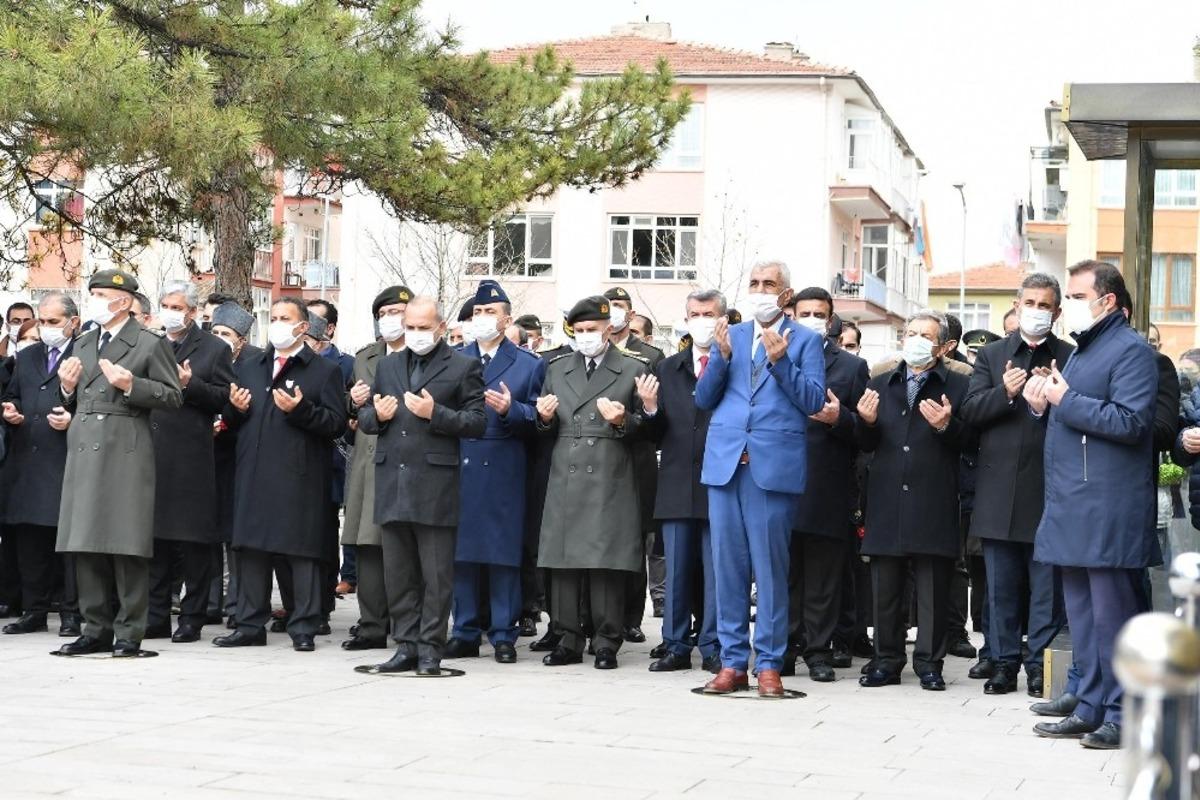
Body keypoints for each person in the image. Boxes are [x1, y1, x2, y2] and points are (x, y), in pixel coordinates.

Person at [1028, 260, 1158, 750]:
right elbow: (1073, 422)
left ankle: (1124, 714)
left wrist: (1064, 399)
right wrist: (1043, 406)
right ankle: (1090, 705)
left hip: (1107, 508)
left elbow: (1131, 422)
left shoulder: (1131, 351)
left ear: (1107, 301)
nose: (1070, 306)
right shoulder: (1085, 351)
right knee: (1082, 616)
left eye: (1078, 296)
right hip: (1073, 503)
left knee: (1113, 619)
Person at [696, 261, 826, 698]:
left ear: (785, 295)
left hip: (772, 468)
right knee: (727, 566)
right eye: (753, 283)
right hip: (726, 464)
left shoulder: (805, 340)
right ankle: (732, 662)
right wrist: (721, 359)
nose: (759, 290)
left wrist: (780, 362)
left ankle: (769, 663)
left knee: (771, 570)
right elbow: (703, 398)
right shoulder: (728, 336)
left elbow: (812, 400)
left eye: (768, 284)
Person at [54, 269, 183, 657]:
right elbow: (76, 400)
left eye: (100, 294)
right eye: (91, 293)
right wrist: (67, 387)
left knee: (126, 542)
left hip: (125, 446)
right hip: (84, 445)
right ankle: (95, 629)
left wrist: (133, 386)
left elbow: (173, 395)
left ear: (123, 301)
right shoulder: (84, 341)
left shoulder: (147, 342)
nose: (93, 300)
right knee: (85, 541)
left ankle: (129, 632)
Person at [357, 296, 485, 676]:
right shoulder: (389, 364)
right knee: (397, 574)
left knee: (436, 575)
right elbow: (366, 417)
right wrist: (374, 416)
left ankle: (431, 649)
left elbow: (477, 422)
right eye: (410, 327)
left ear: (440, 328)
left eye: (422, 327)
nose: (415, 334)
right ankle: (406, 646)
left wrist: (436, 414)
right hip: (392, 479)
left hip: (435, 484)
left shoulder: (463, 366)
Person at [213, 297, 347, 653]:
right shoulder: (252, 365)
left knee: (300, 553)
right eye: (272, 317)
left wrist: (302, 409)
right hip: (253, 471)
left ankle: (302, 625)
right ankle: (248, 624)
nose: (277, 324)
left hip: (298, 476)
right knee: (251, 551)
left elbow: (335, 424)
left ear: (303, 327)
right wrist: (234, 410)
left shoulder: (323, 371)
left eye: (285, 318)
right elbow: (234, 416)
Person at [960, 273, 1072, 697]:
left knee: (1046, 591)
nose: (1037, 312)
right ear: (1017, 304)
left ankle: (1040, 665)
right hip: (999, 491)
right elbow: (970, 412)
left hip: (1050, 491)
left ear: (1057, 312)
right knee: (1000, 589)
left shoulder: (1069, 356)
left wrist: (1046, 408)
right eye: (1031, 303)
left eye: (1046, 305)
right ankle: (1004, 663)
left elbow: (1080, 416)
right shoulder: (992, 356)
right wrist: (1005, 394)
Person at [856, 310, 973, 691]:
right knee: (886, 586)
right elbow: (865, 445)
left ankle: (929, 663)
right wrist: (866, 423)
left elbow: (971, 442)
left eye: (925, 335)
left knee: (933, 586)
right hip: (887, 495)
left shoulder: (958, 386)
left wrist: (946, 426)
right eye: (910, 333)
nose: (916, 340)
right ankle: (885, 660)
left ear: (943, 347)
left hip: (934, 495)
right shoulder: (879, 382)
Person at [536, 295, 654, 670]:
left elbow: (647, 430)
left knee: (606, 561)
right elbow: (546, 421)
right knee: (564, 560)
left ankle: (606, 640)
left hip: (609, 472)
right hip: (566, 471)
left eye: (592, 329)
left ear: (608, 329)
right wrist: (542, 418)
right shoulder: (556, 368)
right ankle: (567, 638)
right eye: (580, 330)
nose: (586, 336)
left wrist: (623, 422)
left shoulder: (634, 368)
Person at [445, 280, 545, 664]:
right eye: (477, 313)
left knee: (504, 555)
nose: (482, 319)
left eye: (490, 312)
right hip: (460, 465)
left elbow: (540, 418)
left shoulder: (527, 364)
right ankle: (466, 630)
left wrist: (511, 410)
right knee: (463, 554)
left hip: (504, 469)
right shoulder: (453, 358)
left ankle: (504, 633)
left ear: (506, 319)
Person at [784, 287, 869, 682]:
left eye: (820, 314)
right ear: (791, 314)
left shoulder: (851, 368)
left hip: (827, 484)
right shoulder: (773, 355)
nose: (813, 320)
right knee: (782, 575)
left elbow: (867, 436)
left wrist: (840, 419)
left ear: (832, 320)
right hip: (778, 481)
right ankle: (781, 648)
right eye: (805, 313)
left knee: (823, 577)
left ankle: (818, 650)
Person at [146, 281, 235, 643]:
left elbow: (225, 399)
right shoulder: (151, 344)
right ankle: (154, 616)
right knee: (155, 543)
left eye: (176, 306)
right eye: (165, 304)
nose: (170, 311)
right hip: (152, 453)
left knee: (193, 545)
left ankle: (192, 618)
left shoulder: (214, 349)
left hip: (192, 459)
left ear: (193, 312)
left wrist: (190, 384)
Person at [647, 290, 725, 674]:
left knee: (716, 573)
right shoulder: (669, 368)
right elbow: (656, 430)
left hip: (720, 482)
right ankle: (675, 644)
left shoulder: (734, 363)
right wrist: (647, 410)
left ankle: (713, 645)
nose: (701, 320)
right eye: (694, 313)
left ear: (723, 318)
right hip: (677, 479)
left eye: (708, 313)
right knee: (675, 571)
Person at [0, 292, 81, 637]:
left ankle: (71, 613)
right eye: (42, 322)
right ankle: (34, 610)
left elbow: (94, 403)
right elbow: (13, 394)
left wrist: (73, 417)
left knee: (68, 546)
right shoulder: (29, 355)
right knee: (29, 542)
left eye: (53, 322)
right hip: (27, 460)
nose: (46, 329)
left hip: (65, 460)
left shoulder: (84, 355)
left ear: (73, 323)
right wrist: (10, 411)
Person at [341, 285, 411, 651]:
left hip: (407, 461)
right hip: (369, 460)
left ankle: (405, 625)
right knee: (367, 545)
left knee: (401, 547)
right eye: (383, 315)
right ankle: (370, 625)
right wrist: (352, 402)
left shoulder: (422, 355)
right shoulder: (365, 357)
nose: (389, 321)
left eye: (396, 314)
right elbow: (354, 411)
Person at [603, 286, 664, 641]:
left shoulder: (649, 357)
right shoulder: (586, 350)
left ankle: (631, 617)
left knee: (635, 541)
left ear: (629, 313)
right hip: (599, 461)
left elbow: (655, 414)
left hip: (637, 458)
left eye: (619, 306)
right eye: (608, 306)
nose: (613, 312)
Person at [208, 302, 261, 625]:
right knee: (210, 533)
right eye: (214, 332)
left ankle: (238, 603)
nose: (219, 338)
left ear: (241, 339)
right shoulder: (205, 357)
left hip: (239, 457)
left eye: (225, 334)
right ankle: (210, 602)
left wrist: (230, 417)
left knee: (236, 535)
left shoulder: (254, 364)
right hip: (208, 457)